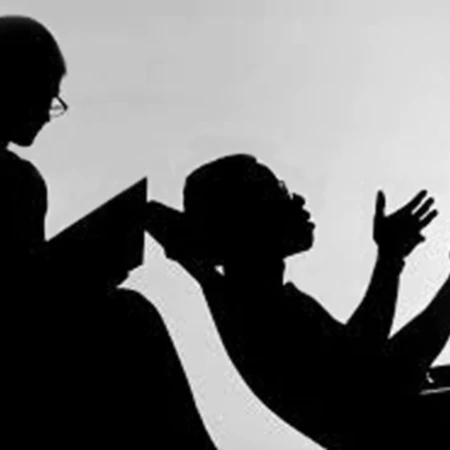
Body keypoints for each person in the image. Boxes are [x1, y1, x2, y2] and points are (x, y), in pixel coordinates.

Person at [0, 15, 215, 448]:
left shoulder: (22, 182)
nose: (49, 111)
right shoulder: (17, 184)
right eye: (45, 92)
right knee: (129, 317)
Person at [147, 153, 448, 448]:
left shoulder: (240, 299)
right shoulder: (259, 312)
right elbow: (370, 369)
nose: (298, 199)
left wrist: (391, 259)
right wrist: (391, 259)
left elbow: (374, 366)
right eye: (278, 191)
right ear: (247, 220)